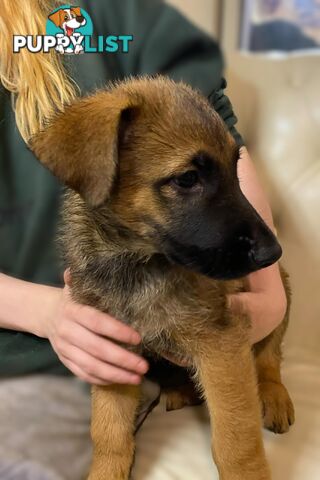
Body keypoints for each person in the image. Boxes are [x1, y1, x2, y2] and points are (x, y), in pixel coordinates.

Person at [0, 0, 287, 478]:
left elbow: (212, 124)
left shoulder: (120, 15)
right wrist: (46, 312)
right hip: (37, 346)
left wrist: (269, 295)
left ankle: (270, 367)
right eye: (186, 181)